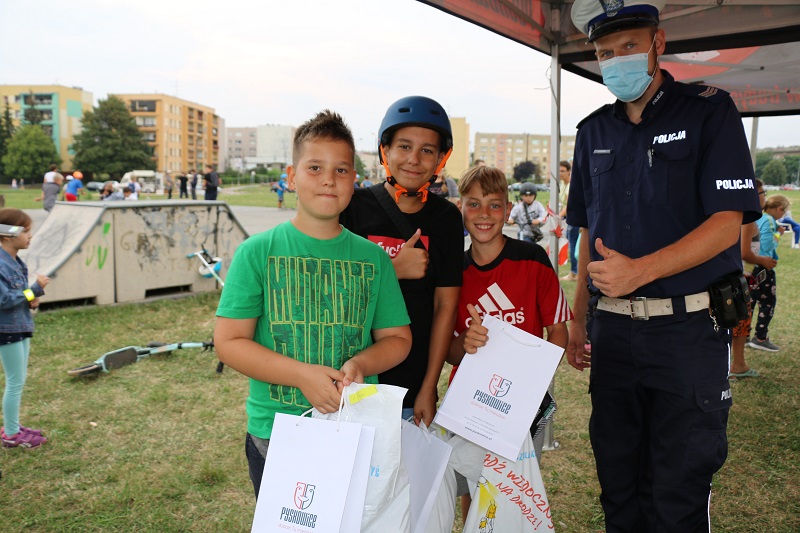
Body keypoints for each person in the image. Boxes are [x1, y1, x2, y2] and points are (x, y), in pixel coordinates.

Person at [566, 1, 762, 530]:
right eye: (605, 53)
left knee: (677, 490)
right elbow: (587, 234)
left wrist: (642, 271)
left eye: (628, 46)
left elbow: (727, 223)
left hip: (688, 331)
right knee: (618, 484)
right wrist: (579, 317)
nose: (616, 61)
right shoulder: (592, 133)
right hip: (613, 335)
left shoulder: (708, 110)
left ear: (659, 43)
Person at [214, 110, 412, 498]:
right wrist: (302, 375)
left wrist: (361, 364)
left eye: (341, 170)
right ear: (291, 177)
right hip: (277, 430)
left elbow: (398, 339)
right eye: (315, 167)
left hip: (355, 427)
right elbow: (230, 342)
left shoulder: (373, 260)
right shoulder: (258, 252)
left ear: (354, 181)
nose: (328, 179)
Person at [447, 165, 572, 522]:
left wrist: (533, 388)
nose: (484, 215)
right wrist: (465, 341)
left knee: (510, 489)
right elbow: (449, 352)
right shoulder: (453, 271)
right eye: (473, 204)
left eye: (494, 205)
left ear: (508, 209)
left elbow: (558, 333)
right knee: (473, 485)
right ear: (460, 208)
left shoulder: (532, 260)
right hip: (471, 402)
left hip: (523, 407)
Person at [340, 95, 463, 426]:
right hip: (351, 376)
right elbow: (332, 294)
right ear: (386, 151)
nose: (414, 159)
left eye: (427, 150)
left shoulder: (447, 218)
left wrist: (429, 386)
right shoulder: (353, 207)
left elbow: (445, 309)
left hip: (412, 383)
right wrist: (392, 270)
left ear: (440, 158)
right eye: (404, 146)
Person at [0, 209, 49, 449]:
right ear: (8, 234)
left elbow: (16, 296)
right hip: (6, 329)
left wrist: (30, 299)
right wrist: (35, 290)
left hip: (19, 325)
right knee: (15, 381)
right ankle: (10, 434)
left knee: (19, 379)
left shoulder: (15, 260)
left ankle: (13, 425)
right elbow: (4, 299)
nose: (31, 235)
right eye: (26, 231)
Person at [730, 179, 771, 379]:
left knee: (738, 324)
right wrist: (763, 260)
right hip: (741, 279)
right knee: (740, 324)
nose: (765, 197)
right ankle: (738, 365)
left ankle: (737, 363)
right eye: (762, 192)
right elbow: (744, 252)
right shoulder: (747, 220)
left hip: (739, 278)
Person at [746, 194, 791, 352]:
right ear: (779, 209)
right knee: (767, 303)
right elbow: (766, 245)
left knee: (749, 301)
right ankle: (760, 337)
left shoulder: (756, 217)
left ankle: (744, 335)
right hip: (764, 266)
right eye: (783, 212)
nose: (783, 215)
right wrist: (778, 234)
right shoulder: (770, 221)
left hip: (751, 266)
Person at [559, 161, 578, 281]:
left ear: (569, 171)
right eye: (558, 171)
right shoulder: (562, 184)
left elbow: (569, 205)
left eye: (562, 171)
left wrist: (558, 216)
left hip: (574, 218)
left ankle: (574, 273)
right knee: (571, 244)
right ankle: (574, 272)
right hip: (569, 218)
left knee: (573, 245)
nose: (560, 173)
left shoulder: (571, 185)